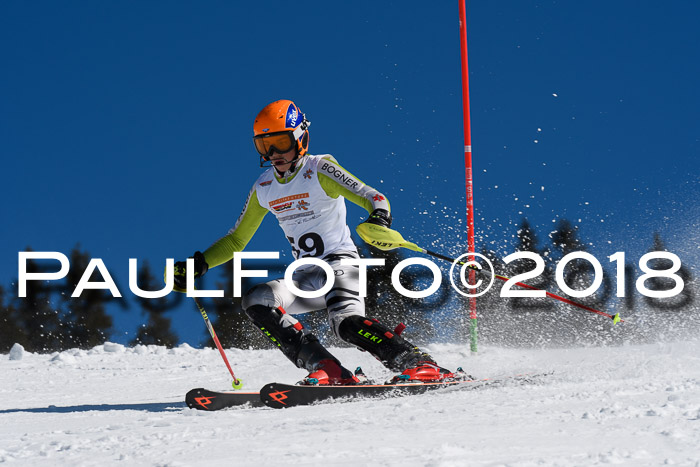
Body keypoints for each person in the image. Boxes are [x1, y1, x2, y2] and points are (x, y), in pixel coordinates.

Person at [172, 99, 456, 385]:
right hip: (307, 275)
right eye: (264, 145)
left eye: (281, 142)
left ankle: (418, 363)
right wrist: (200, 263)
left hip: (342, 263)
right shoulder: (264, 187)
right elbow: (236, 239)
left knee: (346, 325)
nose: (273, 154)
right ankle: (328, 368)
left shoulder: (319, 168)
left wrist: (379, 219)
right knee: (257, 299)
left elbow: (373, 196)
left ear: (300, 137)